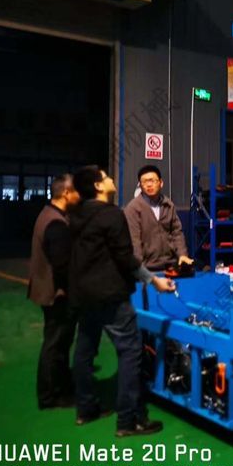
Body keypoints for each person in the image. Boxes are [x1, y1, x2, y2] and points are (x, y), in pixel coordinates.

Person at [68, 165, 175, 437]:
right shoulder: (112, 214)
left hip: (84, 294)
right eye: (105, 177)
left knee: (84, 350)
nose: (111, 178)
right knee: (130, 352)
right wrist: (154, 280)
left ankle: (86, 409)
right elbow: (126, 258)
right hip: (110, 296)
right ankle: (129, 420)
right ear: (98, 186)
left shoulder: (76, 215)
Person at [28, 174, 80, 409]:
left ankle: (58, 388)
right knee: (55, 345)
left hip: (50, 291)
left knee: (57, 343)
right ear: (66, 193)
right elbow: (62, 265)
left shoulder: (49, 214)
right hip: (57, 294)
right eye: (76, 191)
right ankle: (50, 395)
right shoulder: (56, 223)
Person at [124, 165, 193, 271]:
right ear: (140, 185)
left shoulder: (168, 205)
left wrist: (182, 255)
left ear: (161, 183)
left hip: (170, 265)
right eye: (144, 182)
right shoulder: (133, 208)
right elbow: (134, 242)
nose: (149, 184)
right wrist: (139, 270)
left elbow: (176, 233)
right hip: (146, 268)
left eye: (152, 180)